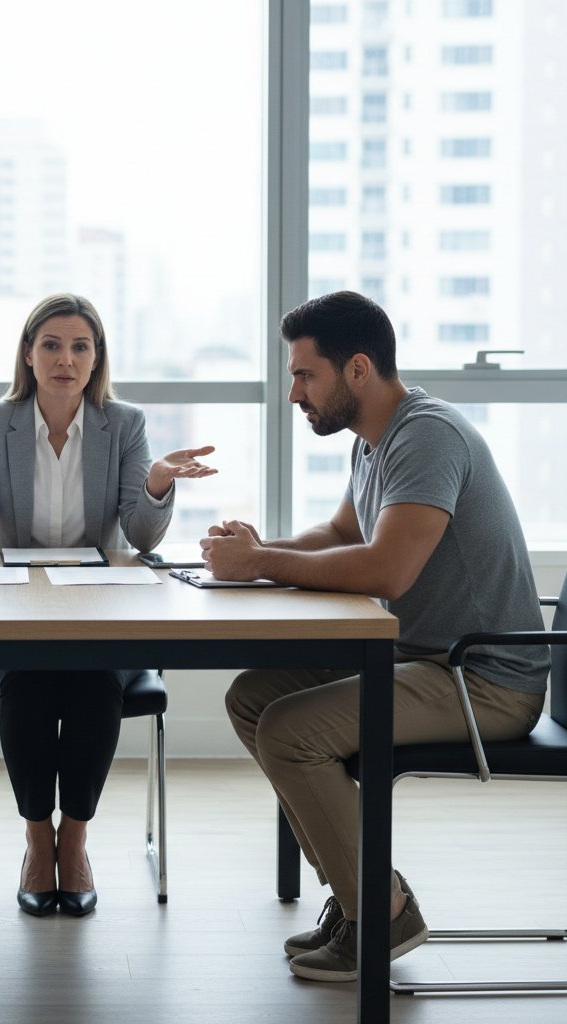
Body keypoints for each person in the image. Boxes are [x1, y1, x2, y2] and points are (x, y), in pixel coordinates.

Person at [201, 290, 549, 982]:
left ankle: (378, 915)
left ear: (357, 369)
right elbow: (340, 536)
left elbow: (388, 569)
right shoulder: (376, 442)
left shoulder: (426, 436)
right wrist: (257, 553)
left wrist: (263, 563)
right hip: (426, 660)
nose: (295, 392)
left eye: (306, 375)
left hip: (482, 678)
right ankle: (359, 895)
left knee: (290, 730)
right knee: (253, 698)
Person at [0, 292, 216, 916]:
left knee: (91, 683)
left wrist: (158, 484)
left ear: (96, 359)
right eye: (52, 345)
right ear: (29, 356)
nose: (66, 358)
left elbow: (140, 538)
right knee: (31, 680)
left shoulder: (125, 425)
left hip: (101, 610)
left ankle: (76, 841)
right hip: (14, 611)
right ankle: (39, 840)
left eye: (80, 346)